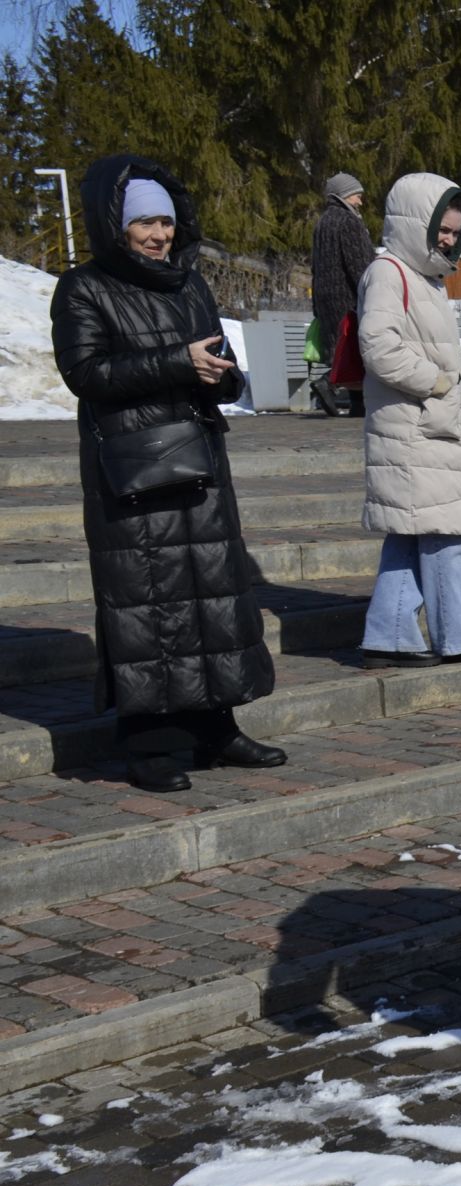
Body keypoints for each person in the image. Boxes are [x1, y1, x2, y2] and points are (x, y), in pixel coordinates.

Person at [49, 156, 283, 793]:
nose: (160, 234)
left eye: (167, 222)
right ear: (116, 224)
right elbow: (86, 374)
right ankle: (151, 743)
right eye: (147, 222)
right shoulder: (83, 288)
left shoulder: (189, 283)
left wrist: (225, 375)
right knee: (146, 602)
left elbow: (221, 360)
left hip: (200, 459)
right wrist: (178, 362)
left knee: (213, 592)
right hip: (133, 468)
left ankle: (217, 725)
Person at [356, 172, 461, 677]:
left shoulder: (422, 276)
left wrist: (451, 379)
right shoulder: (389, 272)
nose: (448, 239)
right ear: (413, 222)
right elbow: (378, 346)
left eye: (453, 231)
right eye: (440, 229)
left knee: (411, 533)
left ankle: (389, 635)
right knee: (446, 532)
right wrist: (439, 383)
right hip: (416, 429)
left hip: (425, 427)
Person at [309, 172, 375, 416]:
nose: (360, 201)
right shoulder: (349, 222)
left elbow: (315, 266)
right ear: (345, 195)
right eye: (357, 195)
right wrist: (374, 290)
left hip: (327, 299)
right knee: (358, 350)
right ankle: (328, 383)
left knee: (349, 350)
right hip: (349, 298)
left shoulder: (323, 222)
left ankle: (359, 405)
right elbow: (360, 264)